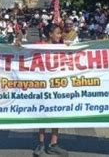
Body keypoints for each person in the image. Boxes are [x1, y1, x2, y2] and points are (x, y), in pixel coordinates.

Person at [33, 23, 68, 157]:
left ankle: (53, 144)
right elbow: (25, 53)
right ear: (50, 34)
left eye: (60, 33)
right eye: (58, 33)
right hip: (42, 85)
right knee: (42, 114)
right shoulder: (38, 45)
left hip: (57, 85)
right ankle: (41, 144)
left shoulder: (61, 47)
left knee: (56, 114)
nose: (60, 36)